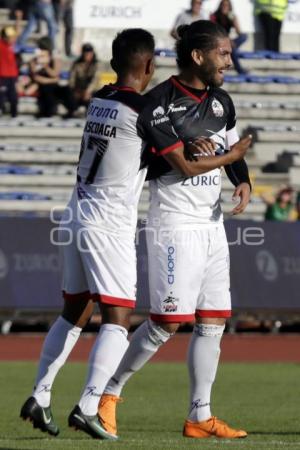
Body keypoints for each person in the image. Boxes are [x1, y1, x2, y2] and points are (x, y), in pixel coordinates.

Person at [19, 26, 249, 440]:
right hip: (110, 223)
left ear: (113, 65)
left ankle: (41, 393)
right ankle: (93, 403)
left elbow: (146, 151)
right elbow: (179, 163)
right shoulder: (147, 110)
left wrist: (214, 159)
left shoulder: (101, 98)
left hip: (76, 213)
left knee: (75, 311)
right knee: (118, 319)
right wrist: (228, 156)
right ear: (148, 65)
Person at [99, 20, 252, 440]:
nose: (229, 60)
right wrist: (193, 153)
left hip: (212, 225)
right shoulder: (157, 104)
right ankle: (107, 394)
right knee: (167, 322)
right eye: (223, 53)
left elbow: (232, 146)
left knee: (214, 320)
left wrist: (242, 177)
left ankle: (199, 415)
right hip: (175, 225)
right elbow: (164, 164)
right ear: (199, 56)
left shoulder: (222, 101)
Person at [62, 43, 100, 118]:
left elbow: (95, 80)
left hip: (91, 90)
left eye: (89, 54)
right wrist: (74, 89)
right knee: (66, 91)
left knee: (95, 95)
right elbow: (71, 78)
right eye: (86, 54)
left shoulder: (96, 64)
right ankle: (72, 111)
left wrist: (88, 91)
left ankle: (90, 113)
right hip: (78, 89)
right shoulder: (76, 64)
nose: (87, 56)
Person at [210, 0, 248, 74]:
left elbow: (239, 32)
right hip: (217, 40)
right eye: (223, 5)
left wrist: (234, 20)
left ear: (229, 7)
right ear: (220, 6)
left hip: (227, 41)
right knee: (232, 48)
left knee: (244, 36)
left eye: (227, 5)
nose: (225, 7)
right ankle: (239, 70)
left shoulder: (230, 16)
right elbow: (213, 32)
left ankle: (230, 47)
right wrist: (228, 40)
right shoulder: (215, 15)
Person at [29, 36, 60, 117]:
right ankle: (44, 111)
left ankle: (50, 111)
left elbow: (55, 74)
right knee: (43, 89)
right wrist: (38, 62)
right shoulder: (35, 60)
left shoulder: (54, 59)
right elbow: (34, 74)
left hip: (50, 84)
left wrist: (46, 66)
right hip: (40, 84)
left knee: (49, 90)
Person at [0, 26, 19, 117]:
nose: (13, 39)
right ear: (4, 37)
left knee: (13, 96)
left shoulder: (11, 46)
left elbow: (17, 33)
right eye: (10, 37)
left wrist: (18, 20)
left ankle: (14, 114)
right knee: (1, 95)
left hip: (12, 75)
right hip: (2, 75)